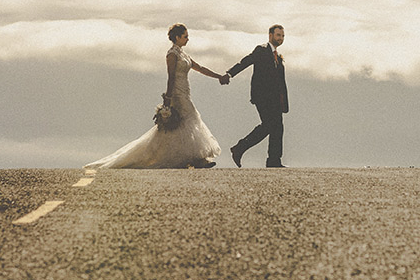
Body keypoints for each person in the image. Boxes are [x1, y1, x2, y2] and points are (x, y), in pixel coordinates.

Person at [83, 24, 224, 170]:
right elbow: (171, 77)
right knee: (191, 119)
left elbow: (200, 68)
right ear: (177, 37)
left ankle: (190, 159)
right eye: (185, 36)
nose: (188, 39)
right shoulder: (172, 55)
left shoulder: (183, 54)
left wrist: (219, 76)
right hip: (177, 94)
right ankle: (198, 159)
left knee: (182, 126)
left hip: (186, 92)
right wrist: (168, 98)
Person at [221, 25, 289, 168]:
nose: (280, 38)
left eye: (282, 36)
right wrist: (230, 74)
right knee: (269, 125)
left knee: (277, 127)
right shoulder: (262, 50)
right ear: (270, 35)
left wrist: (284, 102)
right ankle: (240, 147)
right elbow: (245, 61)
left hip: (276, 99)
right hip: (262, 97)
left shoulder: (279, 57)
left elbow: (281, 82)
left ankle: (274, 161)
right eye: (278, 35)